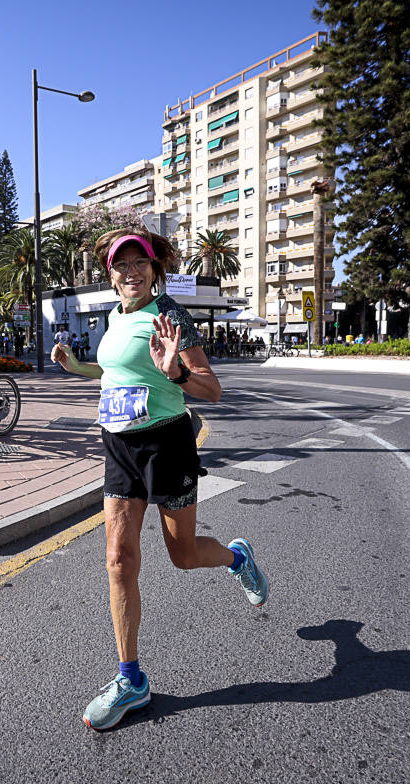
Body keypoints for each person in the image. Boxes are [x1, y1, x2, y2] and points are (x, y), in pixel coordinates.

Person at [50, 229, 268, 732]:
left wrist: (174, 373)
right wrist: (76, 366)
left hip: (166, 445)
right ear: (110, 274)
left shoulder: (170, 316)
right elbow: (116, 374)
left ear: (154, 269)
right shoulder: (114, 317)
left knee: (183, 556)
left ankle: (238, 558)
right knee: (118, 560)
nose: (130, 272)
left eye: (139, 263)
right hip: (118, 447)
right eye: (120, 265)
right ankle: (132, 680)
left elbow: (211, 389)